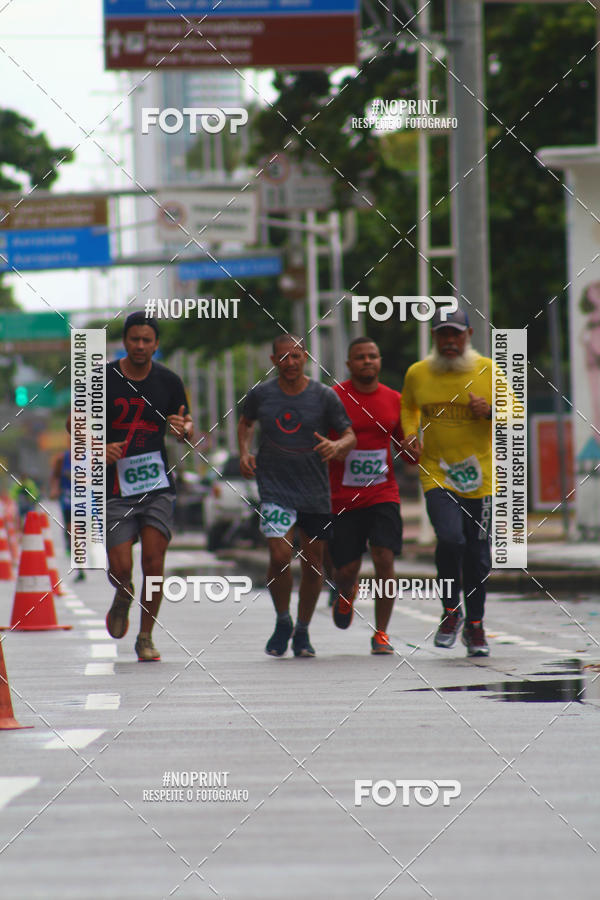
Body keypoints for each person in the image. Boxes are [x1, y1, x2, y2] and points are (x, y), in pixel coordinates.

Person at [238, 334, 356, 658]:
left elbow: (349, 434)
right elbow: (246, 423)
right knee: (278, 556)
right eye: (283, 357)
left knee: (313, 562)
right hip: (275, 487)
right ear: (273, 361)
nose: (290, 363)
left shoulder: (324, 396)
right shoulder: (261, 395)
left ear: (305, 356)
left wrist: (336, 446)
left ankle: (302, 631)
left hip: (315, 490)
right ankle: (282, 619)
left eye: (296, 356)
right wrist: (244, 452)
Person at [401, 307, 494, 657]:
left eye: (456, 334)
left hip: (480, 477)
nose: (450, 341)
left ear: (468, 335)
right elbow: (408, 406)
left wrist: (490, 411)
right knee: (450, 538)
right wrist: (411, 434)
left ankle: (475, 625)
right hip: (437, 472)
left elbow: (515, 410)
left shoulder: (487, 370)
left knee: (477, 554)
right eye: (443, 334)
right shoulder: (418, 373)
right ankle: (451, 611)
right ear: (435, 338)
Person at [104, 311, 193, 661]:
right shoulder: (102, 379)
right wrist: (99, 447)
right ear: (125, 341)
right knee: (121, 568)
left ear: (156, 344)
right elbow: (74, 425)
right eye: (134, 339)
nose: (140, 346)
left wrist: (182, 431)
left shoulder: (169, 381)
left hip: (156, 484)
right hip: (113, 486)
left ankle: (145, 636)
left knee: (154, 563)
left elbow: (187, 430)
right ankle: (123, 592)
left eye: (147, 340)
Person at [327, 337, 415, 654]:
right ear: (349, 364)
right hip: (343, 498)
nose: (367, 361)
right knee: (346, 569)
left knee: (385, 559)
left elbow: (409, 452)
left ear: (379, 361)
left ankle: (381, 634)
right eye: (360, 357)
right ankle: (345, 589)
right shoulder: (334, 398)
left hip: (383, 493)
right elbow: (319, 440)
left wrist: (412, 451)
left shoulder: (395, 399)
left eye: (372, 356)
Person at [49, 446, 85, 582]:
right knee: (72, 532)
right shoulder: (62, 459)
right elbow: (54, 477)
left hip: (86, 501)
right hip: (68, 502)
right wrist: (54, 489)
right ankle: (80, 568)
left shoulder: (91, 457)